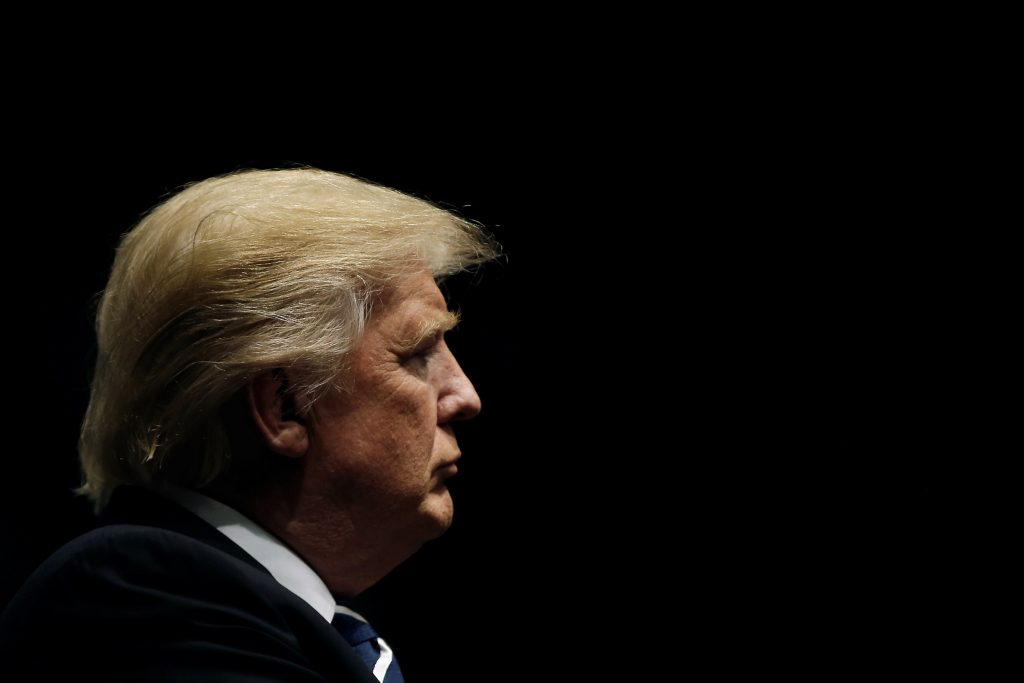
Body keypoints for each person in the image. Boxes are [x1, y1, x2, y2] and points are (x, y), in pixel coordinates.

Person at [0, 167, 497, 681]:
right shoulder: (144, 597)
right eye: (417, 353)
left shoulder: (276, 618)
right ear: (283, 405)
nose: (466, 396)